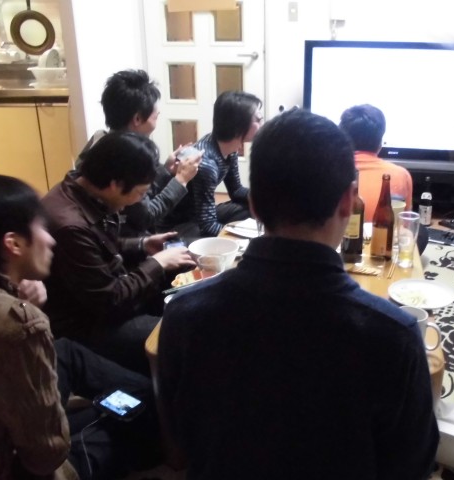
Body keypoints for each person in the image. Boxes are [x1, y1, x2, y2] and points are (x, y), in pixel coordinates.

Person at [158, 109, 439, 480]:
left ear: (253, 204)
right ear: (348, 202)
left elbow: (181, 436)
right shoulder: (395, 335)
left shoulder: (183, 313)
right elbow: (412, 465)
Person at [0, 175, 160, 480]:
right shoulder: (19, 325)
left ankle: (136, 404)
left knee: (68, 352)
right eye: (41, 227)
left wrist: (14, 297)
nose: (51, 239)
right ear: (14, 244)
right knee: (125, 419)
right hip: (6, 468)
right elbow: (46, 456)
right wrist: (25, 313)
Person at [43, 131, 196, 374]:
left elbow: (100, 245)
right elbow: (109, 300)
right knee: (183, 335)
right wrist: (157, 263)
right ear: (115, 184)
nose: (137, 202)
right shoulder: (70, 225)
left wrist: (143, 244)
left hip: (108, 296)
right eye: (140, 193)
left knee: (187, 286)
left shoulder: (83, 190)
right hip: (87, 323)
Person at [75, 69, 202, 237]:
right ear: (137, 119)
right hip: (123, 239)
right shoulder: (125, 158)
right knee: (194, 230)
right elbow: (146, 217)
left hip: (120, 234)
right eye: (155, 115)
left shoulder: (102, 140)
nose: (157, 117)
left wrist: (164, 170)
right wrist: (181, 179)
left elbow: (142, 195)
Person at [157, 90, 263, 239]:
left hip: (200, 214)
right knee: (219, 243)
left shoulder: (229, 148)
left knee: (252, 207)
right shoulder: (207, 164)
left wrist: (259, 196)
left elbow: (236, 190)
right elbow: (207, 226)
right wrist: (244, 238)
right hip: (180, 224)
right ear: (239, 125)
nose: (262, 123)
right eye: (258, 119)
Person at [339, 103, 428, 253]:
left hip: (342, 245)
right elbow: (404, 225)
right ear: (380, 142)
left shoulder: (331, 170)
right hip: (384, 246)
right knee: (421, 232)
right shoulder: (401, 174)